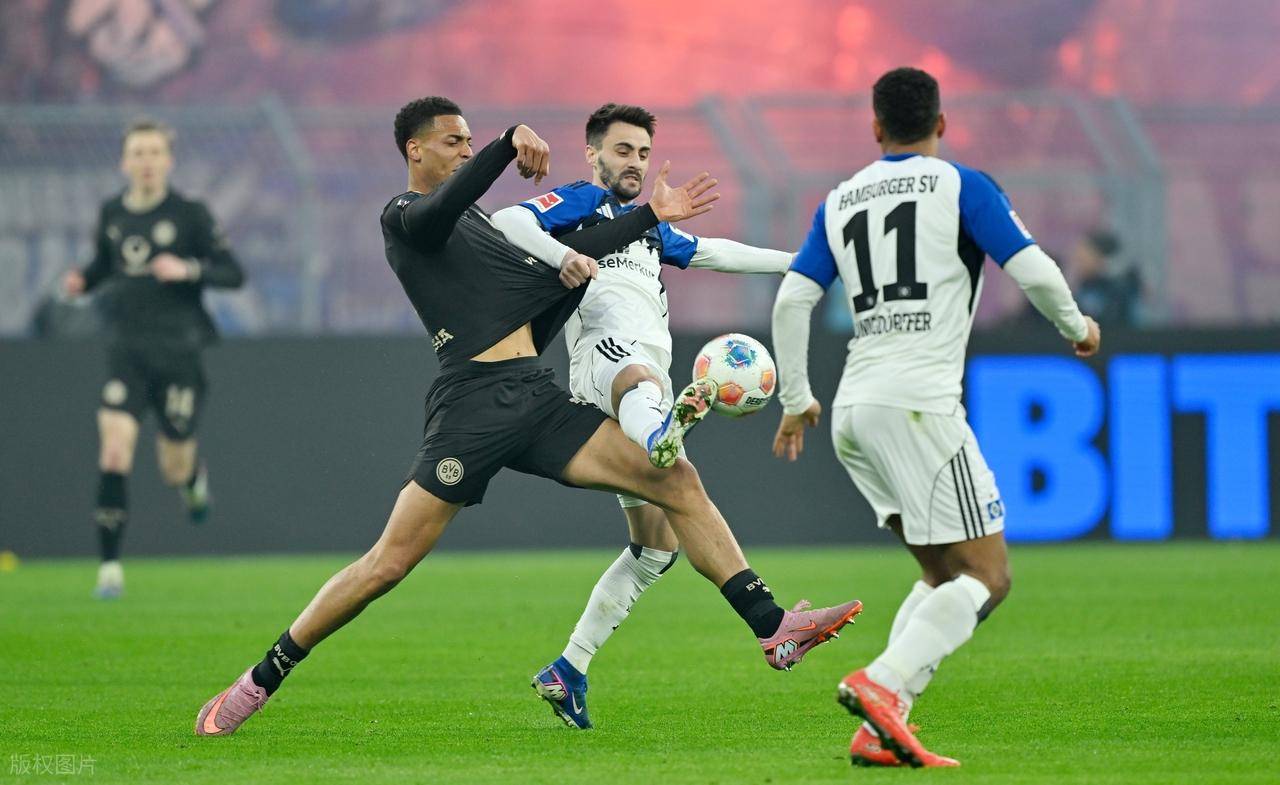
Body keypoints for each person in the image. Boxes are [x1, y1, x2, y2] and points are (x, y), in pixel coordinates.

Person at [194, 97, 861, 737]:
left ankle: (773, 627)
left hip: (534, 397)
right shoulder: (404, 217)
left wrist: (640, 223)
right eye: (454, 141)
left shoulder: (480, 225)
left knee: (677, 480)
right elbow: (443, 211)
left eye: (469, 140)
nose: (464, 151)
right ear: (415, 149)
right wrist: (505, 141)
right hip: (471, 406)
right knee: (386, 566)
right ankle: (259, 678)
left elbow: (559, 275)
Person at [770, 68, 1100, 767]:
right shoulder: (962, 187)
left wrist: (796, 396)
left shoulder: (839, 199)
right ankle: (882, 683)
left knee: (944, 575)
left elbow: (794, 299)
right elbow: (1035, 270)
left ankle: (879, 728)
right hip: (918, 405)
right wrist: (1078, 325)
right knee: (989, 575)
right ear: (941, 124)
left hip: (854, 410)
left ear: (876, 128)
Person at [490, 103, 794, 729]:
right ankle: (661, 432)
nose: (634, 163)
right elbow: (506, 219)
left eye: (643, 154)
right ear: (592, 154)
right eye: (622, 150)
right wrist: (558, 256)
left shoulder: (648, 226)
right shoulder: (582, 203)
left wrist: (800, 263)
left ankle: (569, 669)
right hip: (605, 363)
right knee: (642, 379)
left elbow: (714, 252)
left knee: (655, 548)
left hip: (643, 380)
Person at [62, 119, 245, 599]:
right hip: (126, 352)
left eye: (154, 153)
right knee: (114, 450)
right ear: (125, 162)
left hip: (179, 353)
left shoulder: (190, 215)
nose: (146, 162)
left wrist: (188, 269)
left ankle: (193, 481)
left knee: (173, 467)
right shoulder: (112, 213)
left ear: (169, 160)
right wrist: (83, 280)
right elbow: (106, 264)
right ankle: (109, 570)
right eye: (138, 153)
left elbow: (233, 273)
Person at [1072, 229, 1141, 327]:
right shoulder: (1083, 287)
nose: (1078, 262)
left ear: (1100, 258)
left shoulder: (1119, 289)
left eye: (1084, 257)